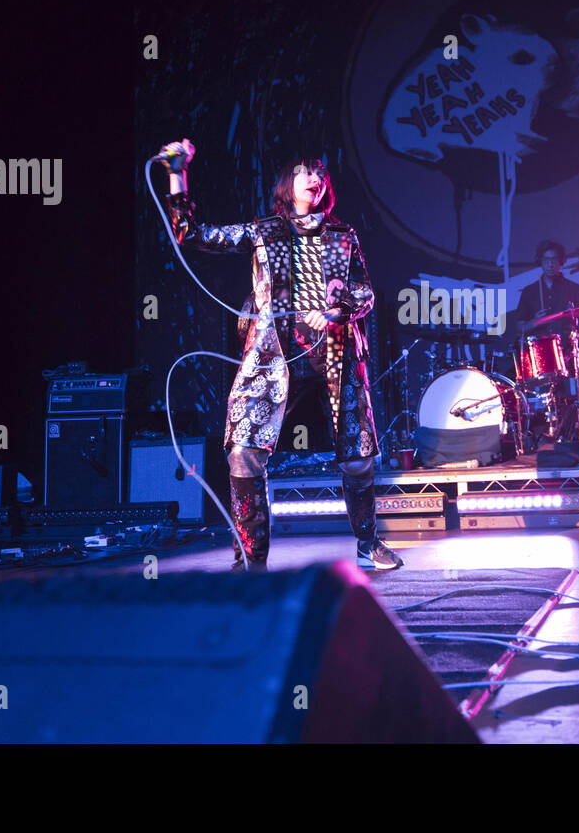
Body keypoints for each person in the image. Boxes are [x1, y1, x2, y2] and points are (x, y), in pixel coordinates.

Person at [157, 138, 403, 572]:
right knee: (243, 451)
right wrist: (178, 174)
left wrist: (337, 310)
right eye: (304, 170)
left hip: (334, 356)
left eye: (320, 172)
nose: (314, 177)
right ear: (286, 185)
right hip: (271, 359)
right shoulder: (264, 231)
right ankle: (252, 559)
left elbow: (365, 292)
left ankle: (368, 543)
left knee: (359, 456)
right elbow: (191, 234)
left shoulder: (343, 237)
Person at [511, 240, 579, 333]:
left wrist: (574, 318)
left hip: (568, 345)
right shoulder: (529, 292)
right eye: (546, 260)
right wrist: (534, 322)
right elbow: (520, 328)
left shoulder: (576, 289)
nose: (550, 264)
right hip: (539, 346)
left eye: (554, 259)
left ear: (561, 261)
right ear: (540, 261)